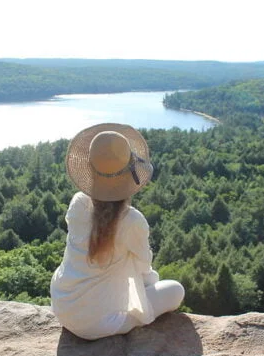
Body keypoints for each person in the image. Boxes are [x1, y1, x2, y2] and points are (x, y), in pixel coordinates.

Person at [50, 123, 185, 340]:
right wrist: (147, 289)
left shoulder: (78, 204)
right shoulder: (132, 221)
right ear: (129, 176)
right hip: (97, 324)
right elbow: (143, 270)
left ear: (90, 170)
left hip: (63, 306)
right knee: (176, 290)